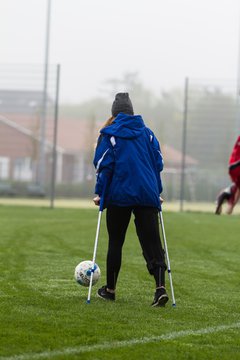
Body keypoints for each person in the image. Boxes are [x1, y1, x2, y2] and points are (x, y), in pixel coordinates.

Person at [92, 92, 169, 307]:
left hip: (119, 195)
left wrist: (100, 193)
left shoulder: (109, 134)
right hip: (147, 194)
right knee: (152, 242)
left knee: (116, 241)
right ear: (132, 111)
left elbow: (103, 166)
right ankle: (160, 289)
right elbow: (157, 165)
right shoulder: (148, 134)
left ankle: (110, 290)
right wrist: (157, 192)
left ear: (114, 113)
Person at [215, 135, 240, 215]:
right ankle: (229, 210)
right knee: (237, 192)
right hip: (237, 166)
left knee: (236, 187)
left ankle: (221, 201)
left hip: (232, 166)